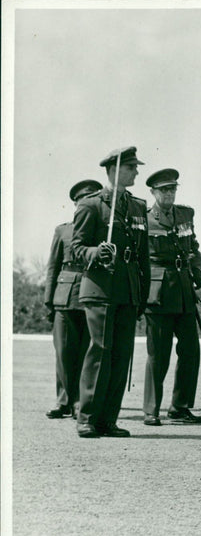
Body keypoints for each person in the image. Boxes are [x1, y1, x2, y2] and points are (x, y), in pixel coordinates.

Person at [72, 146, 150, 438]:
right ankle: (87, 417)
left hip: (127, 288)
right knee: (100, 351)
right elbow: (76, 248)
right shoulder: (91, 205)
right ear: (114, 170)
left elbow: (142, 255)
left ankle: (108, 419)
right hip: (101, 287)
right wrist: (96, 251)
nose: (136, 172)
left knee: (121, 354)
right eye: (131, 168)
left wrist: (141, 294)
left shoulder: (137, 206)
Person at [141, 168, 201, 426]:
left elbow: (195, 247)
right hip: (158, 291)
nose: (169, 194)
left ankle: (180, 406)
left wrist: (197, 271)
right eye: (164, 190)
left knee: (191, 351)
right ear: (153, 192)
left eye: (172, 189)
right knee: (159, 354)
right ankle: (151, 409)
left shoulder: (185, 214)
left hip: (183, 289)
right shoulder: (144, 218)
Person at [43, 179, 101, 419]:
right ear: (75, 204)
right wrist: (48, 302)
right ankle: (64, 400)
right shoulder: (63, 230)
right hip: (64, 297)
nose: (82, 204)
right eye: (80, 201)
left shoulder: (100, 229)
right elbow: (52, 267)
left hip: (92, 294)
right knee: (64, 351)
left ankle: (79, 401)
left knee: (86, 352)